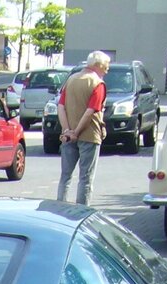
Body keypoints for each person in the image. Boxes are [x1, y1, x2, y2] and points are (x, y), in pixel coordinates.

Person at [56, 50, 110, 206]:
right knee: (86, 178)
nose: (107, 70)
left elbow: (60, 106)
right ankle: (82, 211)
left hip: (67, 135)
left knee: (65, 176)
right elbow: (90, 112)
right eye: (106, 66)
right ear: (98, 65)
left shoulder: (71, 79)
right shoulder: (97, 84)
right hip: (89, 135)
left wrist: (67, 130)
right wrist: (77, 132)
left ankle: (59, 207)